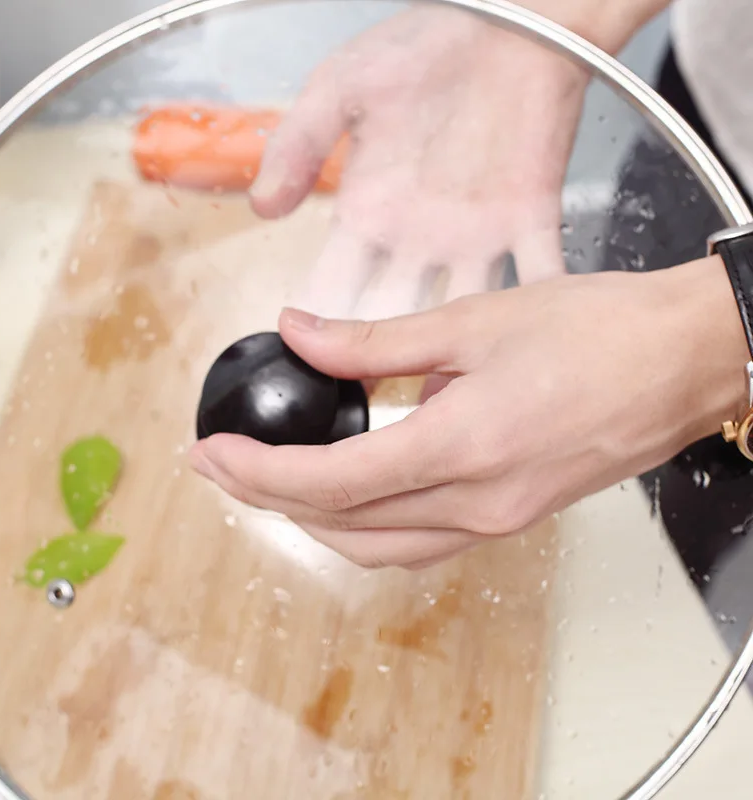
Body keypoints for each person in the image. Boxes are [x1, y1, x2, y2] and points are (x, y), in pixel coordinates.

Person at [190, 0, 753, 571]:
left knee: (693, 503)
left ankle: (684, 534)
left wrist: (719, 341)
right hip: (724, 111)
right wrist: (556, 18)